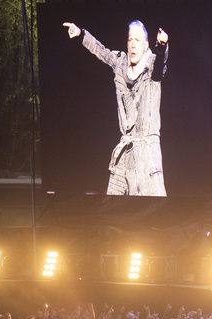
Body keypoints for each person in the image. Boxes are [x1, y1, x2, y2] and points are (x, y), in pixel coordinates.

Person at [64, 20, 169, 197]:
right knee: (113, 210)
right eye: (130, 40)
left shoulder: (152, 67)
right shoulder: (120, 63)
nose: (133, 44)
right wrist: (81, 34)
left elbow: (161, 63)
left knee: (154, 210)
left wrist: (162, 46)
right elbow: (102, 52)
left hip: (146, 152)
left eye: (137, 40)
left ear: (145, 45)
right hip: (126, 148)